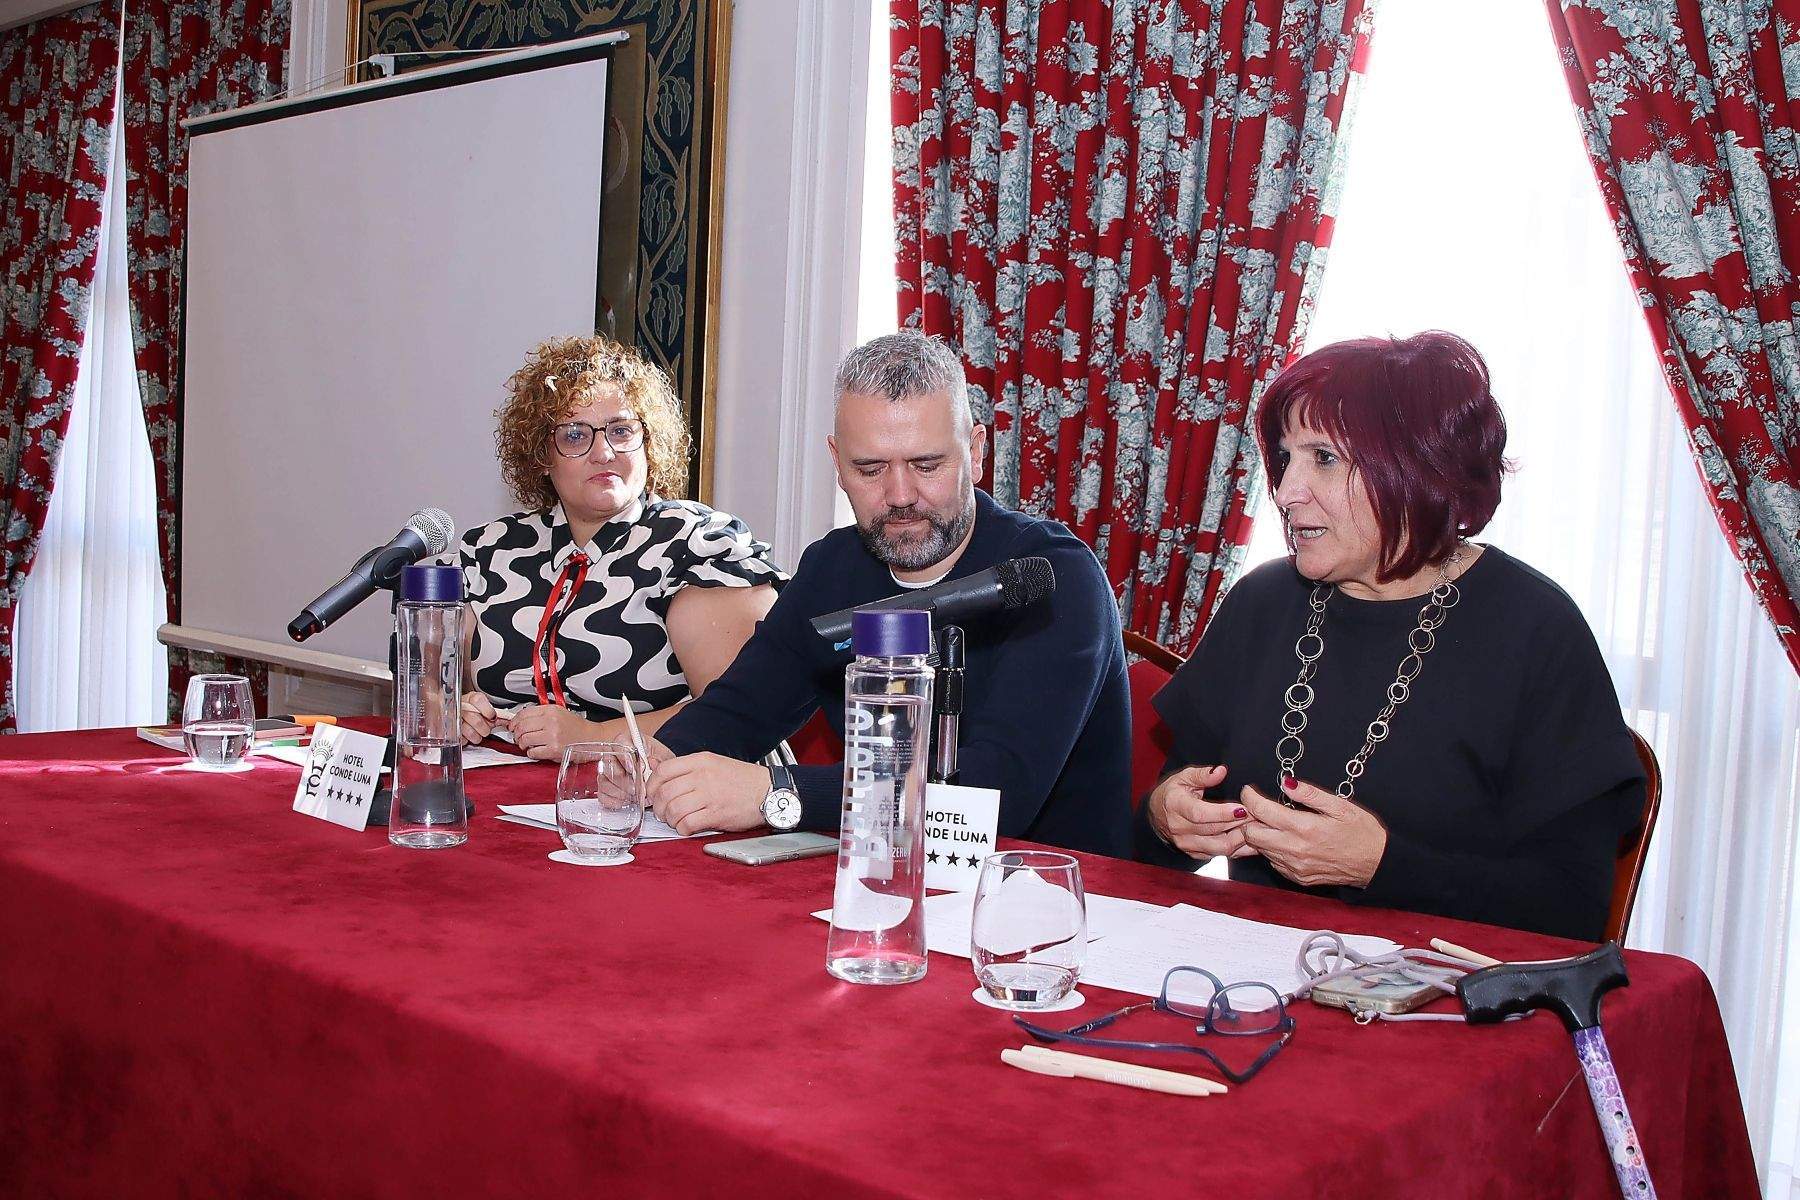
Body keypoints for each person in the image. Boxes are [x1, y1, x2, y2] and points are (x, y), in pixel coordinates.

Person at [1137, 331, 1644, 941]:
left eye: (1322, 457)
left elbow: (1571, 908)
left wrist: (1382, 868)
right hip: (1257, 992)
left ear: (1416, 468)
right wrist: (1168, 819)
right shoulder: (1262, 605)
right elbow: (1158, 832)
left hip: (1451, 1010)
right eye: (1286, 456)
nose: (1284, 490)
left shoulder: (1536, 631)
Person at [645, 331, 1132, 857]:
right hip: (872, 872)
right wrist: (646, 764)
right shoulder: (833, 567)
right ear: (837, 461)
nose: (901, 497)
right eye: (870, 470)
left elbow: (996, 795)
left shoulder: (1054, 577)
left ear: (977, 450)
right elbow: (740, 710)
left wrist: (780, 794)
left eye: (927, 465)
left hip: (1051, 897)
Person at [456, 335, 783, 761]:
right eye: (574, 436)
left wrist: (594, 737)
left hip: (680, 801)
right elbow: (433, 686)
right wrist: (458, 710)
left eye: (621, 431)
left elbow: (740, 716)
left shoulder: (698, 546)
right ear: (541, 455)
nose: (603, 452)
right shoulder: (488, 551)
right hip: (510, 801)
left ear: (649, 442)